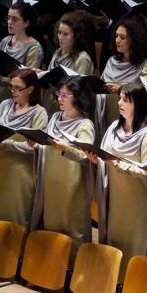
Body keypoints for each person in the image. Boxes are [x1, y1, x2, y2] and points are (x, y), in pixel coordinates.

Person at [88, 83, 147, 277]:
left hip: (137, 201)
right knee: (115, 244)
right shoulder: (114, 127)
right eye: (120, 98)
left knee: (136, 248)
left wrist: (117, 164)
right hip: (115, 197)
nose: (119, 103)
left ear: (137, 104)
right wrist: (96, 160)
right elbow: (105, 159)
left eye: (125, 100)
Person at [32, 76, 97, 259]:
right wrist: (38, 146)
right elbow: (47, 144)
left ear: (77, 97)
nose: (59, 98)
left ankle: (71, 270)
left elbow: (86, 156)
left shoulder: (85, 125)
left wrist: (66, 148)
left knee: (71, 226)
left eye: (65, 95)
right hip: (52, 179)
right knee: (50, 225)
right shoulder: (54, 117)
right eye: (59, 94)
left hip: (71, 184)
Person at [0, 68, 47, 226]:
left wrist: (6, 144)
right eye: (12, 87)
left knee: (15, 215)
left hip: (20, 172)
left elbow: (35, 146)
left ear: (30, 89)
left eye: (18, 88)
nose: (13, 91)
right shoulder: (4, 105)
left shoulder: (39, 113)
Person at [99, 20, 147, 130]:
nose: (117, 40)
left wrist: (121, 89)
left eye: (122, 37)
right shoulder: (111, 61)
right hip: (107, 113)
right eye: (116, 36)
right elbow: (101, 85)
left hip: (133, 121)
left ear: (134, 40)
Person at [0, 2, 43, 105]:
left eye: (14, 19)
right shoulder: (5, 41)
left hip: (18, 100)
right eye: (8, 18)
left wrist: (1, 79)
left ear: (26, 23)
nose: (9, 22)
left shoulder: (34, 47)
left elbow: (28, 80)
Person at [43, 11, 96, 113]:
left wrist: (55, 91)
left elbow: (79, 91)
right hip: (51, 104)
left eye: (65, 34)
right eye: (59, 32)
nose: (60, 37)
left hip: (70, 111)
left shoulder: (82, 58)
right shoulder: (58, 52)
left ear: (76, 36)